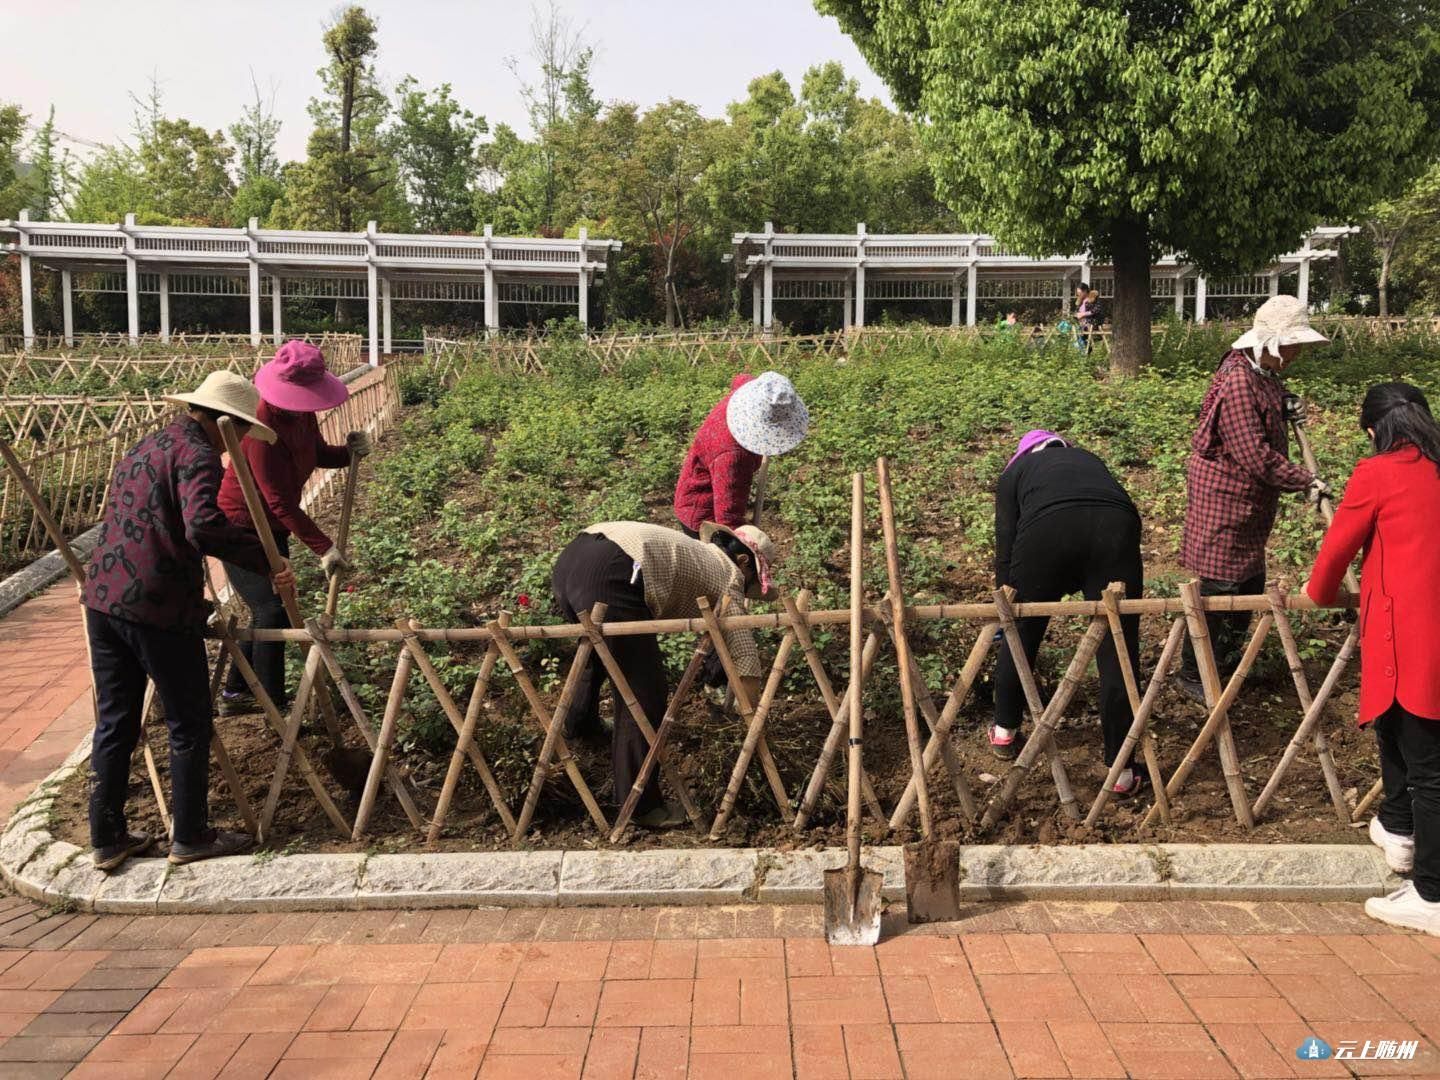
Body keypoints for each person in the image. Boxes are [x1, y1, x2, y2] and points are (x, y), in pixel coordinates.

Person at [82, 371, 296, 871]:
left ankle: (107, 838)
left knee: (115, 720)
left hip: (104, 596)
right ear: (226, 424)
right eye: (240, 430)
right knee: (189, 720)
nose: (237, 443)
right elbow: (202, 525)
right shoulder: (198, 454)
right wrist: (265, 559)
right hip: (154, 605)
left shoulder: (149, 444)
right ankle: (192, 835)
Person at [1304, 383, 1440, 934]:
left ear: (1373, 430)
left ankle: (1432, 896)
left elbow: (1336, 551)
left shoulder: (1378, 472)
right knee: (1396, 727)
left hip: (1412, 637)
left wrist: (1320, 593)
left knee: (1428, 765)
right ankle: (1399, 829)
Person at [551, 520, 777, 827]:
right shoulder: (730, 576)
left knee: (599, 651)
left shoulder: (700, 554)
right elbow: (744, 656)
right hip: (617, 571)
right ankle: (640, 806)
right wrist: (747, 720)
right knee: (643, 692)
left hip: (573, 559)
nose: (747, 590)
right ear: (743, 562)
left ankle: (581, 724)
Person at [1177, 295, 1328, 702]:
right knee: (1221, 586)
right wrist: (1305, 479)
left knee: (1248, 581)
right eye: (1293, 345)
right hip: (1225, 500)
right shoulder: (1239, 381)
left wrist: (1285, 401)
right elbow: (1255, 456)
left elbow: (1268, 403)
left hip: (1249, 502)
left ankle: (1224, 665)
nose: (1297, 354)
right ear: (1272, 342)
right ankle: (1194, 673)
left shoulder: (1262, 371)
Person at [216, 341, 370, 712]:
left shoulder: (302, 415)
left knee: (271, 607)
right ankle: (272, 703)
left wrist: (348, 453)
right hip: (240, 527)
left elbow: (315, 453)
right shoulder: (260, 428)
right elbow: (278, 501)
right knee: (271, 609)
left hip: (273, 528)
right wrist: (324, 547)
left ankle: (236, 693)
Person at [991, 430, 1146, 795]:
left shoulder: (1015, 473)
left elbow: (1005, 545)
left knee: (1023, 630)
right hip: (1115, 526)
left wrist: (1006, 606)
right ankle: (1122, 771)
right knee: (1118, 644)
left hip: (1047, 530)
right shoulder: (1089, 459)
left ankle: (1004, 731)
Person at [673, 371, 808, 537]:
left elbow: (741, 378)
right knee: (720, 553)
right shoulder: (733, 456)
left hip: (697, 485)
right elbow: (728, 519)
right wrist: (749, 540)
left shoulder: (747, 392)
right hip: (703, 517)